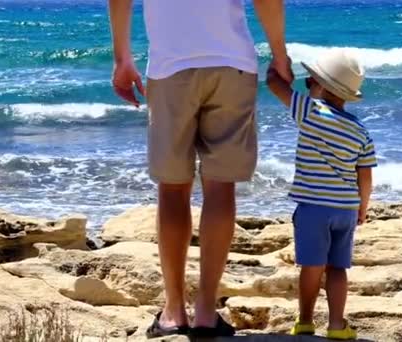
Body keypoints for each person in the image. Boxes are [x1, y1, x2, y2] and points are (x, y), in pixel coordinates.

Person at [108, 0, 292, 338]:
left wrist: (122, 58)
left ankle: (174, 310)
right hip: (232, 64)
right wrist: (279, 54)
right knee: (221, 187)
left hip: (170, 67)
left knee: (173, 187)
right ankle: (206, 310)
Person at [266, 49, 376, 340]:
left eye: (309, 83)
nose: (307, 88)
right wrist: (362, 208)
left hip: (314, 207)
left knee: (312, 266)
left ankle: (304, 321)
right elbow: (365, 175)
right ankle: (337, 325)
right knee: (338, 267)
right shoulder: (360, 131)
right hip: (346, 210)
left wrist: (277, 63)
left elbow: (274, 86)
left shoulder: (310, 111)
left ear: (322, 86)